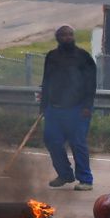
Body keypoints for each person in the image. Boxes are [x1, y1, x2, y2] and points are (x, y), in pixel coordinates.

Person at [40, 25, 97, 191]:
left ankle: (86, 179)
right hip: (54, 108)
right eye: (63, 35)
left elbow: (91, 84)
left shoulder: (83, 57)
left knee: (78, 143)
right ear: (57, 37)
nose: (67, 37)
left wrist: (87, 106)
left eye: (70, 34)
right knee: (52, 141)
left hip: (78, 109)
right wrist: (43, 106)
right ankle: (65, 174)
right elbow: (46, 82)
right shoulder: (51, 56)